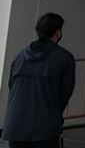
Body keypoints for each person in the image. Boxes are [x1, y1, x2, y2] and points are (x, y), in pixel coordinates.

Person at [3, 13, 75, 148]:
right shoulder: (64, 58)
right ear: (58, 32)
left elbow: (11, 87)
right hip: (45, 130)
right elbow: (65, 94)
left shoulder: (19, 56)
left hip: (15, 127)